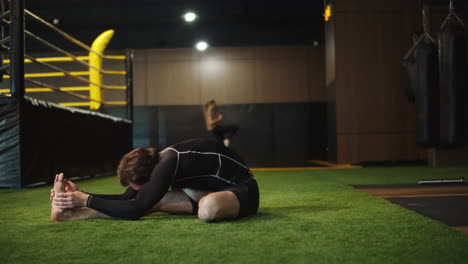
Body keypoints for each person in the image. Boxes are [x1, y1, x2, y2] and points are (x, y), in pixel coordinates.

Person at [50, 137, 259, 222]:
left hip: (242, 191)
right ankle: (70, 214)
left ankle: (76, 207)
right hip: (202, 191)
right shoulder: (153, 162)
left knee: (208, 209)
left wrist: (85, 198)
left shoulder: (167, 164)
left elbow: (135, 210)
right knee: (151, 200)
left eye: (139, 186)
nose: (136, 190)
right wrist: (77, 197)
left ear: (149, 177)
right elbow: (126, 200)